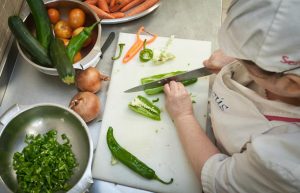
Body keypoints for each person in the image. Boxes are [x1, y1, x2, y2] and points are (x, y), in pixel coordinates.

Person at [163, 0, 300, 192]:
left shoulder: (283, 159)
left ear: (292, 84)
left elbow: (219, 178)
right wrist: (239, 55)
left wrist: (183, 116)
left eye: (247, 62)